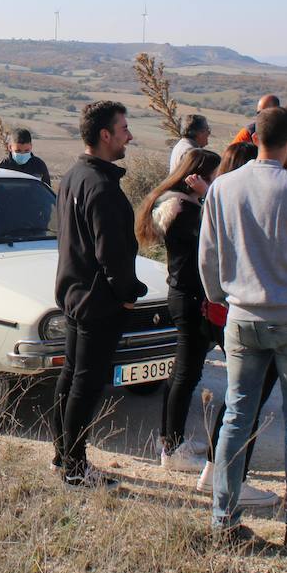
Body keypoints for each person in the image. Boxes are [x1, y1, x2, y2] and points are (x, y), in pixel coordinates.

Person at [199, 107, 287, 550]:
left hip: (243, 316)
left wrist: (220, 297)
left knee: (237, 414)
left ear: (254, 138)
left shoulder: (223, 186)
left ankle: (224, 520)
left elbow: (208, 255)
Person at [51, 101, 145, 489]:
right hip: (97, 303)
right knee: (85, 386)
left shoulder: (74, 176)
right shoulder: (101, 187)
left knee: (72, 378)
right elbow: (112, 254)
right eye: (123, 129)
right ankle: (75, 469)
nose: (129, 136)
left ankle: (63, 458)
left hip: (75, 295)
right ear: (105, 135)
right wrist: (127, 294)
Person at [197, 143, 280, 508]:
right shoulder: (250, 204)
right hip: (250, 313)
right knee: (248, 401)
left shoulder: (220, 199)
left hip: (226, 310)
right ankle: (231, 479)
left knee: (238, 396)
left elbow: (207, 258)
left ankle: (214, 470)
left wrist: (216, 297)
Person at [135, 147, 221, 476]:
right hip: (190, 298)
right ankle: (172, 449)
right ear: (198, 176)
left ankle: (170, 439)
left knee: (181, 374)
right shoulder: (186, 210)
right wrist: (209, 195)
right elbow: (216, 233)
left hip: (183, 295)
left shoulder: (180, 206)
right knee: (186, 374)